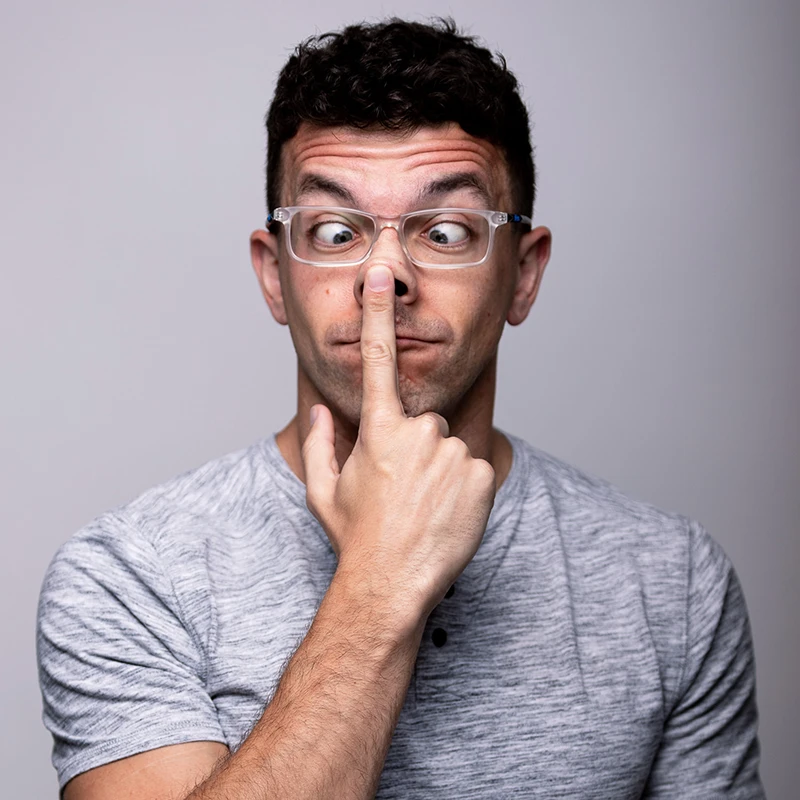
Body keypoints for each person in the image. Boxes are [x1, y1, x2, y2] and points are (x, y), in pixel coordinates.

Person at [37, 17, 765, 800]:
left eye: (447, 231)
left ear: (523, 273)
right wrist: (379, 581)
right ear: (274, 276)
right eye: (337, 231)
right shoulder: (129, 576)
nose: (385, 276)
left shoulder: (672, 583)